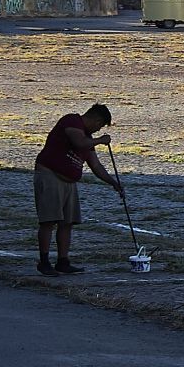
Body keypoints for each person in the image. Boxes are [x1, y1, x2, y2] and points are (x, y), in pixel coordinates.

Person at [33, 104, 123, 275]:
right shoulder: (72, 121)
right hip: (50, 175)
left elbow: (95, 165)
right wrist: (100, 140)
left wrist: (113, 182)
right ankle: (44, 262)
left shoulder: (87, 137)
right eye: (100, 125)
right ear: (96, 120)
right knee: (48, 221)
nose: (98, 130)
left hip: (69, 181)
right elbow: (79, 142)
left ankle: (63, 261)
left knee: (67, 222)